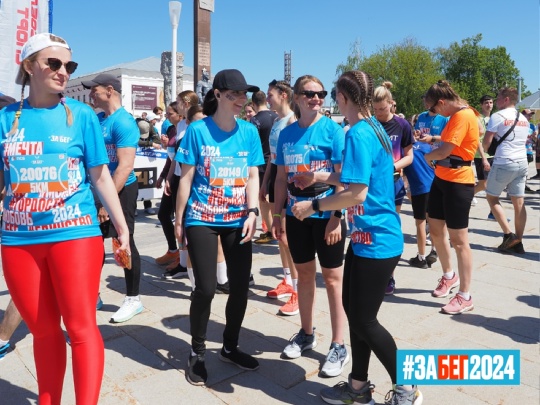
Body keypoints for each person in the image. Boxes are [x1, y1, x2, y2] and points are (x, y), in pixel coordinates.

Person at [0, 32, 129, 404]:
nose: (63, 71)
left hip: (75, 233)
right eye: (53, 63)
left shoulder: (82, 115)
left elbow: (100, 176)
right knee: (42, 331)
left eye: (69, 65)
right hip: (19, 241)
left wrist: (121, 228)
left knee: (80, 327)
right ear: (29, 66)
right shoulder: (5, 119)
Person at [290, 70, 422, 405]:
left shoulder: (358, 133)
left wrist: (313, 205)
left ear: (343, 97)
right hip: (366, 239)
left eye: (334, 95)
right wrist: (317, 176)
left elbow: (357, 193)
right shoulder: (372, 128)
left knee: (364, 320)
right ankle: (358, 386)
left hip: (378, 240)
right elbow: (356, 176)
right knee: (356, 314)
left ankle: (407, 387)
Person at [174, 69, 263, 386]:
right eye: (234, 94)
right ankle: (197, 352)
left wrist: (253, 211)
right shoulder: (197, 131)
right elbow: (186, 179)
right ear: (217, 95)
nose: (241, 100)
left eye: (244, 94)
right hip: (202, 218)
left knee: (239, 287)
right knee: (206, 289)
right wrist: (179, 220)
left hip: (238, 220)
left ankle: (229, 346)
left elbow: (252, 175)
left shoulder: (249, 132)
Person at [272, 75, 349, 378]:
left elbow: (344, 179)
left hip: (327, 213)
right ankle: (306, 333)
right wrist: (277, 215)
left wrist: (337, 217)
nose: (317, 99)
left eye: (321, 94)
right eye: (310, 94)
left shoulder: (333, 131)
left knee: (332, 280)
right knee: (304, 276)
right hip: (296, 214)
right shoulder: (287, 134)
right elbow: (280, 178)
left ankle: (339, 344)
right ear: (297, 97)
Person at [82, 73, 143, 323]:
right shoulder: (98, 119)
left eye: (93, 90)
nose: (90, 95)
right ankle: (93, 294)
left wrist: (108, 204)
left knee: (122, 242)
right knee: (92, 244)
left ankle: (133, 299)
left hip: (121, 189)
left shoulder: (124, 122)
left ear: (109, 90)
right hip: (96, 189)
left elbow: (125, 166)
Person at [423, 80, 479, 315]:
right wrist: (433, 141)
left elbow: (447, 151)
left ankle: (465, 295)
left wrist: (427, 157)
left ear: (442, 102)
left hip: (458, 182)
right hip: (442, 179)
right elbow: (449, 143)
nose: (434, 113)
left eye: (433, 109)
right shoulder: (455, 116)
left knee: (459, 240)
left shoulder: (463, 115)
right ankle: (449, 275)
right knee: (436, 230)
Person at [260, 79, 299, 316]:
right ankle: (287, 280)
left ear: (283, 95)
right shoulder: (276, 122)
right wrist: (265, 182)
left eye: (270, 95)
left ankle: (298, 291)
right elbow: (272, 158)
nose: (267, 99)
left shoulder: (293, 121)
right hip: (276, 178)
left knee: (287, 238)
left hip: (289, 182)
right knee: (279, 236)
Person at [372, 82, 413, 295]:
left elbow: (410, 156)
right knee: (372, 228)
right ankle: (372, 270)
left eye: (382, 108)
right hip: (371, 186)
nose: (379, 113)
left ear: (391, 103)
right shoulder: (369, 124)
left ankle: (389, 275)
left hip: (393, 183)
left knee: (390, 228)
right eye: (375, 109)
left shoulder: (402, 125)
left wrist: (393, 167)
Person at [483, 88, 529, 254]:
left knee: (492, 197)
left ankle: (509, 235)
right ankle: (519, 241)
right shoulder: (523, 118)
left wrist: (484, 150)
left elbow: (486, 143)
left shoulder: (498, 116)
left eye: (499, 98)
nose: (496, 101)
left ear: (507, 99)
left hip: (504, 161)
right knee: (519, 202)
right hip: (522, 162)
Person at [250, 90, 278, 245]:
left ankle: (270, 231)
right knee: (275, 198)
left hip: (261, 164)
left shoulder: (255, 120)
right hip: (276, 162)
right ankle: (276, 227)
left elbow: (251, 144)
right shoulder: (276, 117)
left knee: (263, 199)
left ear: (254, 103)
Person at [473, 95, 494, 209]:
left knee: (492, 183)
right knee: (484, 184)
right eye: (486, 103)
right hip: (481, 156)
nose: (489, 105)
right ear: (481, 105)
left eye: (491, 102)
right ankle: (468, 195)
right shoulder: (477, 119)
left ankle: (493, 211)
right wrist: (484, 158)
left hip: (494, 155)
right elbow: (477, 140)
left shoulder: (494, 118)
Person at [522, 109, 538, 194]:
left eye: (531, 115)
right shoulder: (519, 124)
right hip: (520, 150)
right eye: (528, 115)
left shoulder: (531, 125)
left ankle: (524, 185)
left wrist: (534, 136)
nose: (530, 117)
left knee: (525, 169)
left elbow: (534, 140)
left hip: (529, 150)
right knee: (520, 170)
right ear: (523, 115)